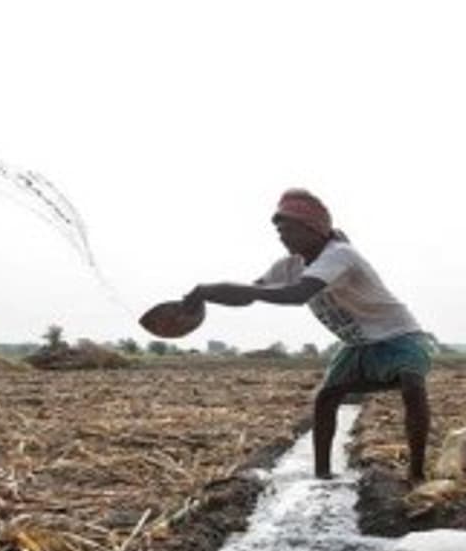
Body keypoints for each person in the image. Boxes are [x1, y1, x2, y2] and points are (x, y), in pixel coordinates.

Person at [183, 188, 431, 482]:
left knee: (412, 386)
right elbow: (248, 295)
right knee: (326, 397)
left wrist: (211, 289)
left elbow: (297, 294)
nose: (282, 237)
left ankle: (416, 474)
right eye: (278, 231)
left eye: (287, 229)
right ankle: (322, 475)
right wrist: (205, 297)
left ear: (312, 228)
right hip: (357, 344)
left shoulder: (339, 255)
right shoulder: (289, 265)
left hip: (399, 336)